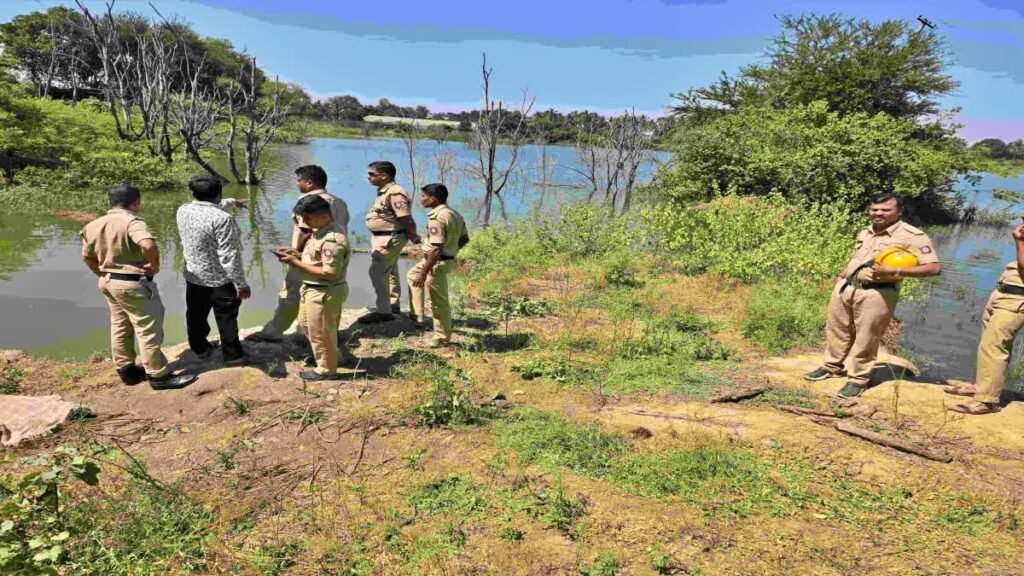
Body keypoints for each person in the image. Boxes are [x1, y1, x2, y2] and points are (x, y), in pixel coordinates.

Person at [804, 193, 941, 398]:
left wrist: (895, 271)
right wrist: (841, 277)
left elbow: (933, 268)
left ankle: (858, 379)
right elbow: (857, 258)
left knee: (867, 336)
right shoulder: (866, 231)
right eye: (874, 209)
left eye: (885, 210)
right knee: (837, 329)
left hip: (878, 292)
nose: (878, 213)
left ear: (899, 211)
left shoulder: (913, 236)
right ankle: (832, 366)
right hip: (847, 287)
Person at [80, 184, 196, 390]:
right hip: (132, 283)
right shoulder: (131, 222)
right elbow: (147, 244)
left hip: (108, 281)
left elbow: (87, 257)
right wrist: (154, 265)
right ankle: (158, 376)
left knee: (120, 325)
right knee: (148, 329)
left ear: (110, 202)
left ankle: (127, 370)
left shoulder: (93, 225)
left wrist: (103, 274)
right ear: (136, 203)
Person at [247, 165, 350, 343]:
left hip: (309, 257)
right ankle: (324, 333)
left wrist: (297, 255)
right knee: (330, 295)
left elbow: (305, 230)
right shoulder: (339, 202)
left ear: (309, 182)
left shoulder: (308, 202)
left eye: (299, 180)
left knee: (292, 294)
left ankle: (274, 332)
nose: (296, 184)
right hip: (334, 255)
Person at [944, 223, 1024, 415]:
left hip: (1017, 299)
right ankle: (982, 387)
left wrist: (1019, 240)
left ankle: (987, 401)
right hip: (1003, 293)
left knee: (995, 346)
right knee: (988, 343)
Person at [176, 175, 251, 365]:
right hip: (220, 280)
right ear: (218, 193)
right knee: (226, 318)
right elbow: (229, 255)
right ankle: (233, 356)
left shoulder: (183, 209)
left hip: (194, 276)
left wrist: (232, 202)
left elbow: (209, 207)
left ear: (193, 193)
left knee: (196, 315)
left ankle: (200, 349)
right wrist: (241, 284)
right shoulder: (222, 218)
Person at [275, 194, 351, 381]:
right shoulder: (320, 231)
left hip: (325, 291)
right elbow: (315, 259)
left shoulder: (333, 240)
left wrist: (295, 263)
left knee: (321, 332)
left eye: (308, 218)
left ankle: (326, 370)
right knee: (308, 326)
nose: (305, 223)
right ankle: (332, 358)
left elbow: (330, 273)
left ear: (323, 216)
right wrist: (297, 254)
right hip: (312, 288)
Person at [407, 183, 468, 347]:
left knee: (439, 301)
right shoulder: (455, 214)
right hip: (439, 259)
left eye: (423, 196)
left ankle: (442, 337)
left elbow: (435, 248)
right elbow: (464, 239)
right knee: (412, 275)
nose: (421, 199)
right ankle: (417, 315)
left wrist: (424, 272)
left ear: (433, 198)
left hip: (436, 262)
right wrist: (451, 250)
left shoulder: (437, 217)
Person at [358, 160, 420, 324]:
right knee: (390, 271)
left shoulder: (395, 193)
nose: (368, 177)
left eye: (372, 174)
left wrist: (413, 234)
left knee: (377, 273)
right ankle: (392, 305)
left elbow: (405, 217)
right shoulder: (384, 192)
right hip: (384, 237)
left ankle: (384, 311)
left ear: (384, 175)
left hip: (389, 238)